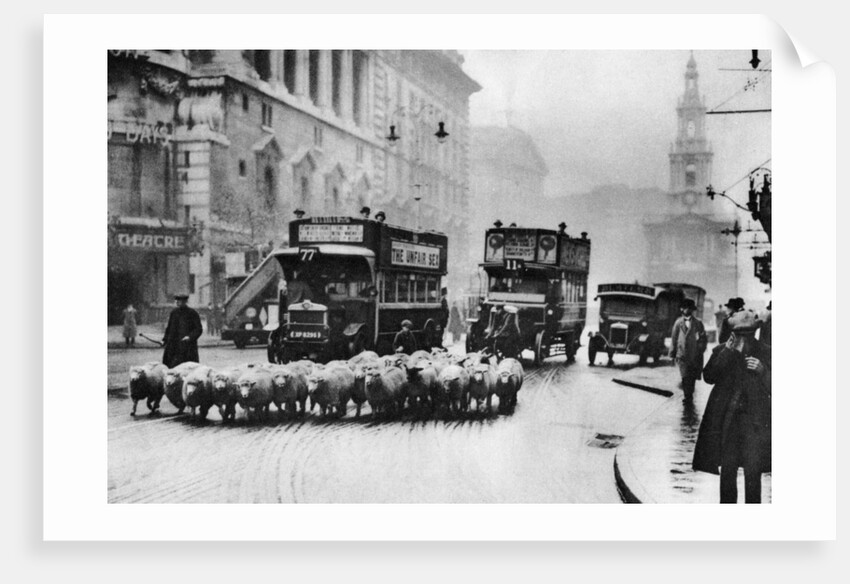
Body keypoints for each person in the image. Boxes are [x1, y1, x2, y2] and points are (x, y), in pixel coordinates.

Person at [693, 309, 770, 503]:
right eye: (740, 335)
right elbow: (708, 376)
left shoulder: (765, 352)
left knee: (753, 472)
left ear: (754, 333)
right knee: (728, 470)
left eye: (748, 335)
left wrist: (763, 371)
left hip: (754, 424)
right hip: (728, 423)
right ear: (733, 334)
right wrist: (727, 352)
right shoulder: (722, 350)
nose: (744, 340)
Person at [669, 298, 708, 401]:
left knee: (692, 377)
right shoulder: (678, 323)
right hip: (681, 355)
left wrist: (700, 349)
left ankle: (690, 394)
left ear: (692, 310)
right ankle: (687, 396)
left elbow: (703, 339)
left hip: (694, 355)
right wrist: (672, 354)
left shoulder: (698, 323)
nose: (686, 310)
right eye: (684, 308)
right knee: (684, 376)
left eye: (689, 308)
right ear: (681, 309)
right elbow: (674, 339)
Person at [162, 294, 203, 368]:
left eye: (179, 300)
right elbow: (169, 328)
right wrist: (165, 339)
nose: (177, 302)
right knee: (171, 368)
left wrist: (190, 337)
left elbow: (198, 329)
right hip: (173, 346)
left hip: (187, 347)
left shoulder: (192, 313)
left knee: (187, 368)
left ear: (185, 301)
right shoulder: (173, 313)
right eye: (176, 300)